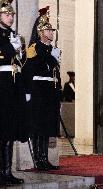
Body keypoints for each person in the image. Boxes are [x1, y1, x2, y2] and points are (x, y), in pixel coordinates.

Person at [22, 10, 61, 170]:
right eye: (48, 30)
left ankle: (45, 158)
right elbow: (28, 71)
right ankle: (38, 159)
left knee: (47, 126)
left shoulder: (52, 50)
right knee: (37, 126)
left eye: (51, 30)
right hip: (38, 91)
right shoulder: (34, 49)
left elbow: (55, 74)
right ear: (40, 32)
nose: (51, 33)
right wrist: (28, 93)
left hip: (50, 91)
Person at [0, 0, 27, 185]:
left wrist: (20, 51)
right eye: (7, 14)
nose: (10, 17)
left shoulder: (13, 35)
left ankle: (7, 172)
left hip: (13, 85)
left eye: (12, 15)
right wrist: (12, 48)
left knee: (10, 130)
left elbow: (20, 63)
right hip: (1, 84)